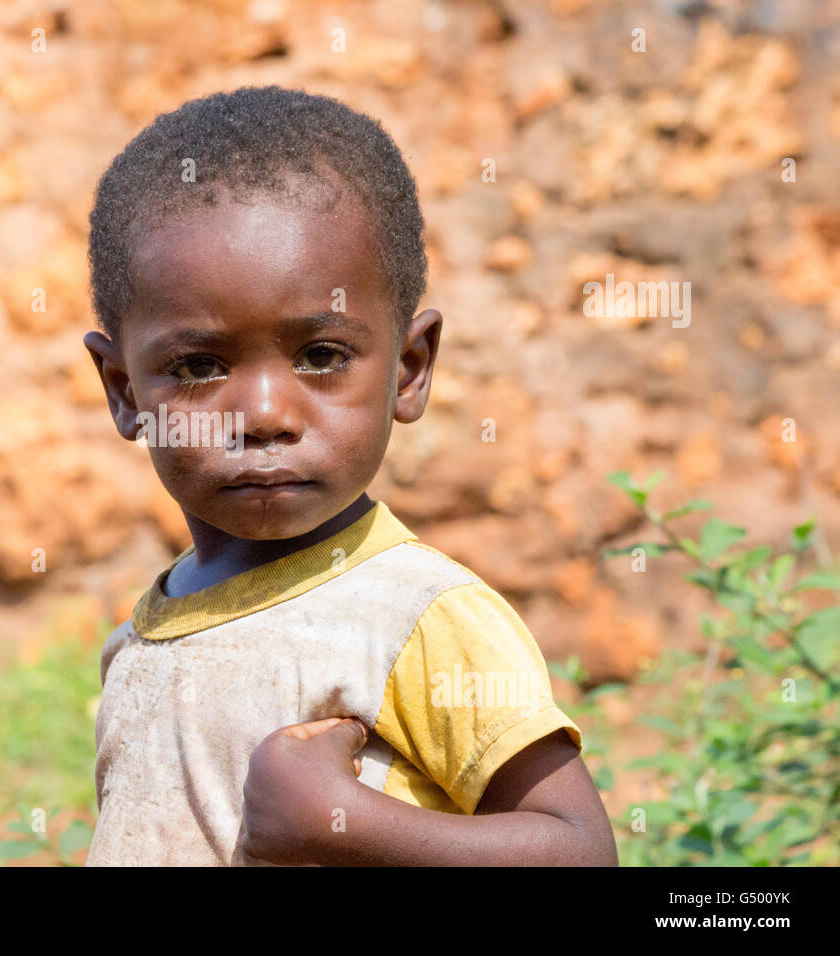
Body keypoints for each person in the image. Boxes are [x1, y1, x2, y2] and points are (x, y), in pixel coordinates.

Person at [80, 85, 617, 866]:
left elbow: (578, 850)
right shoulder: (136, 644)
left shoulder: (417, 618)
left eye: (322, 355)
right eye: (197, 366)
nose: (264, 415)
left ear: (409, 369)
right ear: (126, 392)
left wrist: (346, 821)